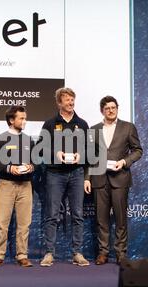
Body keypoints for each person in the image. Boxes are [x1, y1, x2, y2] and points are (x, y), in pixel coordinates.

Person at [84, 96, 142, 265]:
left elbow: (137, 150)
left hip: (120, 178)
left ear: (117, 108)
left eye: (113, 107)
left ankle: (121, 253)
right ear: (102, 110)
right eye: (107, 108)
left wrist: (124, 162)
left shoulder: (128, 127)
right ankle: (103, 253)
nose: (111, 110)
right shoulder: (93, 130)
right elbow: (90, 157)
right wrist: (87, 178)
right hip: (99, 179)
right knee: (101, 219)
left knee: (121, 219)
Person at [38, 87, 90, 267]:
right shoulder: (50, 123)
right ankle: (49, 253)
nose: (71, 102)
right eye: (67, 100)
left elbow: (90, 150)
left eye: (72, 99)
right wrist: (55, 153)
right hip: (55, 174)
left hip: (77, 174)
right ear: (59, 103)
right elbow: (40, 149)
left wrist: (80, 156)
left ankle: (77, 253)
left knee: (77, 215)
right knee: (52, 215)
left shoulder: (82, 124)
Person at [0, 106, 35, 267]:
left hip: (26, 185)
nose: (24, 121)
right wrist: (9, 168)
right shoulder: (0, 139)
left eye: (25, 118)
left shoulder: (29, 140)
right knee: (1, 222)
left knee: (24, 223)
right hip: (6, 184)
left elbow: (35, 160)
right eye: (21, 118)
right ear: (11, 120)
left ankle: (22, 255)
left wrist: (31, 167)